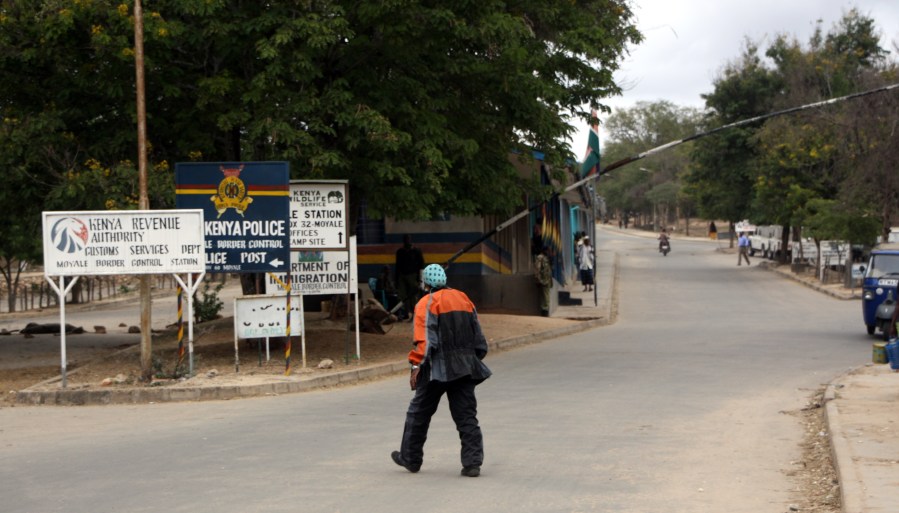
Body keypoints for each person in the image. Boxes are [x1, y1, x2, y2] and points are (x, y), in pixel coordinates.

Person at [391, 264, 492, 477]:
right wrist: (471, 359)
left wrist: (416, 365)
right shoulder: (463, 298)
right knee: (466, 416)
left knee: (418, 414)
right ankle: (472, 463)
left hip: (435, 370)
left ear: (426, 283)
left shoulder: (426, 303)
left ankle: (411, 458)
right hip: (464, 368)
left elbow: (426, 341)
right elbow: (479, 337)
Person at [394, 235, 425, 321]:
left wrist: (420, 279)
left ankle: (414, 315)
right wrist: (396, 279)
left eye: (408, 239)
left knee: (413, 296)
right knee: (402, 296)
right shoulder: (400, 252)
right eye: (405, 240)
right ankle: (405, 313)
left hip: (413, 276)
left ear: (410, 240)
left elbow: (421, 265)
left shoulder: (416, 251)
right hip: (402, 276)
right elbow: (397, 265)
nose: (407, 241)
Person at [535, 246, 552, 316]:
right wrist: (538, 279)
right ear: (544, 251)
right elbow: (537, 269)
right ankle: (544, 312)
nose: (548, 252)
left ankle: (545, 310)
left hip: (547, 280)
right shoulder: (540, 258)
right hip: (543, 280)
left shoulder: (546, 258)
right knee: (545, 297)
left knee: (546, 297)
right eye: (548, 251)